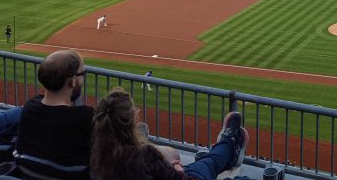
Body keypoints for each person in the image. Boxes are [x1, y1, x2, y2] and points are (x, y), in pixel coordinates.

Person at [90, 87, 248, 180]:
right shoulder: (143, 155)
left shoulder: (95, 153)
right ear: (130, 122)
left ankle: (227, 147)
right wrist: (177, 169)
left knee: (208, 162)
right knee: (209, 163)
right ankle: (229, 142)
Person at [16, 50, 93, 167]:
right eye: (82, 74)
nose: (83, 78)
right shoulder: (86, 118)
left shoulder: (29, 109)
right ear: (72, 81)